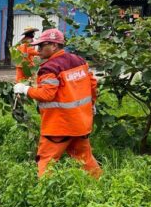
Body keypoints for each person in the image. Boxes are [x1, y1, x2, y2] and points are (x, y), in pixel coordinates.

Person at [12, 29, 101, 178]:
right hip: (80, 122)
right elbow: (92, 85)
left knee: (46, 161)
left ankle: (45, 195)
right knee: (85, 158)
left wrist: (25, 89)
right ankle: (101, 184)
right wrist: (92, 104)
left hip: (58, 126)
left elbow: (46, 94)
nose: (38, 50)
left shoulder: (49, 68)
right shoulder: (79, 61)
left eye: (42, 46)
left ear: (54, 46)